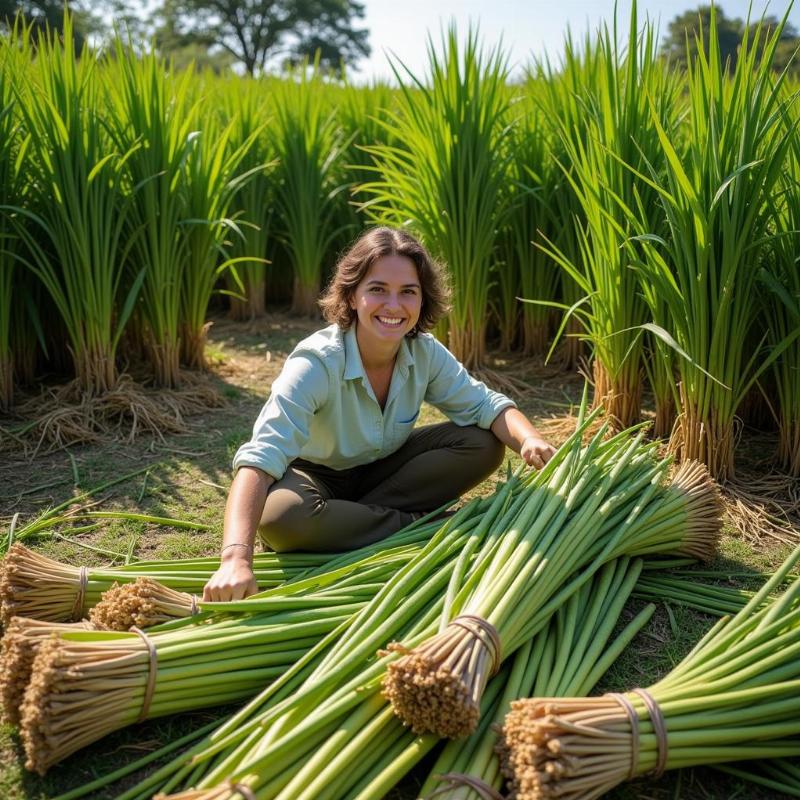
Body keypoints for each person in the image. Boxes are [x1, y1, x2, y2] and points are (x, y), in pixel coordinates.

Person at [203, 227, 556, 601]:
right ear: (353, 296)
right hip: (314, 476)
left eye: (408, 292)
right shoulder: (316, 363)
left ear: (422, 300)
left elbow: (485, 405)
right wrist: (235, 558)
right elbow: (259, 460)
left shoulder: (424, 352)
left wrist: (530, 439)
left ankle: (351, 522)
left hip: (384, 471)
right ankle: (425, 527)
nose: (393, 305)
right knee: (281, 520)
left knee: (483, 442)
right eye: (377, 289)